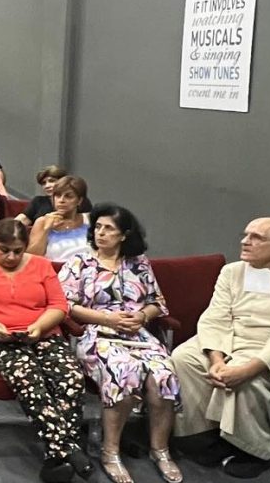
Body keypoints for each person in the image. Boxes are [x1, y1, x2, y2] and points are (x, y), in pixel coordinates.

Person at [0, 219, 90, 482]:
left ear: (26, 247)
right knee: (29, 380)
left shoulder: (41, 265)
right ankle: (70, 449)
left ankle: (57, 455)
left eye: (17, 250)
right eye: (4, 249)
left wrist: (39, 327)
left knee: (71, 379)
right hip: (2, 338)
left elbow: (58, 305)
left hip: (43, 334)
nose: (11, 256)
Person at [59, 204, 182, 483]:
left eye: (109, 229)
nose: (101, 233)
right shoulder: (79, 263)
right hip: (95, 333)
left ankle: (160, 449)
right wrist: (108, 319)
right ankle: (110, 451)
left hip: (137, 334)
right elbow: (65, 304)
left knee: (164, 375)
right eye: (98, 228)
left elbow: (157, 303)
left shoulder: (139, 263)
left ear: (124, 235)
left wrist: (141, 315)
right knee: (123, 372)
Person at [170, 217, 270, 479]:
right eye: (245, 234)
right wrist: (216, 359)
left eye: (256, 237)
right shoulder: (232, 271)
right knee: (183, 358)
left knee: (243, 378)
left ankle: (255, 450)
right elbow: (216, 316)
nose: (244, 241)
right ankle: (202, 432)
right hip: (228, 338)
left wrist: (249, 368)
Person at [28, 176, 90, 261]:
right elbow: (31, 257)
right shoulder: (42, 222)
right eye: (57, 195)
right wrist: (46, 230)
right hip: (54, 271)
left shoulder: (89, 220)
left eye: (68, 196)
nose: (61, 200)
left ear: (79, 200)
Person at [18, 166, 93, 226]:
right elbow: (20, 221)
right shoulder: (38, 201)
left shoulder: (83, 202)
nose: (47, 186)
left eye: (51, 181)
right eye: (44, 183)